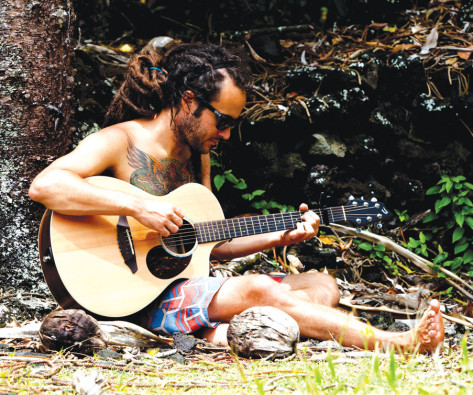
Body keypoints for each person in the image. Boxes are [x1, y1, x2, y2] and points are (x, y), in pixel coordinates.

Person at [29, 43, 444, 353]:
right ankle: (395, 343)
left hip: (187, 286)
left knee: (321, 283)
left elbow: (212, 243)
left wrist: (280, 237)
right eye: (222, 120)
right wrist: (138, 206)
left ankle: (227, 334)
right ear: (189, 101)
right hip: (129, 298)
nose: (226, 134)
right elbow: (45, 186)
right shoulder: (120, 140)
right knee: (257, 288)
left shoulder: (198, 157)